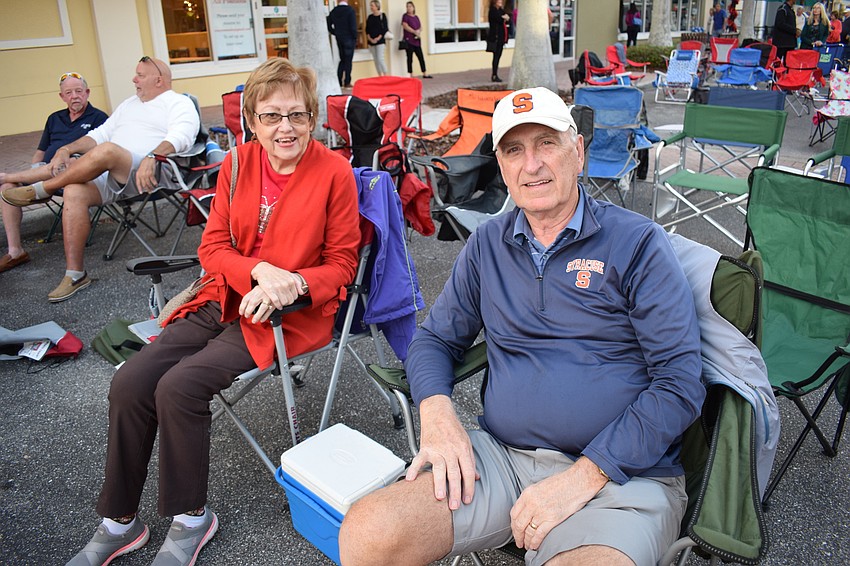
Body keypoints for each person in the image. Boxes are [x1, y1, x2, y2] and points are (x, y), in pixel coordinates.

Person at [338, 87, 705, 566]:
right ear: (502, 166)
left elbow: (679, 383)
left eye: (546, 144)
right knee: (368, 531)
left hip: (622, 476)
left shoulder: (637, 244)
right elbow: (435, 340)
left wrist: (585, 476)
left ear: (578, 151)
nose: (531, 165)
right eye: (514, 150)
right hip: (503, 460)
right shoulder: (488, 244)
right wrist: (437, 413)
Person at [65, 57, 360, 566]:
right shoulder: (238, 163)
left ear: (313, 118)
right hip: (222, 298)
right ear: (252, 121)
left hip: (283, 317)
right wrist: (258, 270)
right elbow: (214, 247)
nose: (284, 128)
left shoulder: (334, 172)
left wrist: (289, 283)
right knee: (130, 382)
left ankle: (191, 517)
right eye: (271, 116)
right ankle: (120, 521)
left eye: (296, 115)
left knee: (179, 387)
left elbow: (342, 263)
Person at [1, 57, 199, 303]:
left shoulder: (178, 102)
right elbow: (98, 134)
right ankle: (75, 275)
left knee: (108, 150)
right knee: (74, 190)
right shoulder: (129, 104)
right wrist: (65, 148)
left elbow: (183, 136)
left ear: (158, 80)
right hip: (114, 173)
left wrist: (152, 155)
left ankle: (45, 189)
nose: (133, 79)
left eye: (139, 75)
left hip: (152, 172)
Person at [0, 72, 107, 274]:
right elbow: (40, 152)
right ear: (62, 96)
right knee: (7, 189)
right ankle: (15, 251)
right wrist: (35, 169)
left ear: (87, 93)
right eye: (69, 92)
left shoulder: (99, 118)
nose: (74, 96)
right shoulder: (54, 118)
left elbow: (98, 156)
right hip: (45, 174)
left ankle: (9, 176)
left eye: (78, 91)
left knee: (60, 165)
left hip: (74, 174)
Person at [327, 0, 358, 88]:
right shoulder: (350, 10)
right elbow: (353, 26)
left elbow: (328, 24)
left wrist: (335, 32)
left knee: (342, 60)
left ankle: (339, 80)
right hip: (349, 38)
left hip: (339, 38)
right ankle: (347, 81)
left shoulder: (334, 11)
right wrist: (355, 37)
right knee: (348, 61)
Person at [402, 2, 432, 79]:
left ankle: (424, 73)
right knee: (410, 58)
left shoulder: (416, 17)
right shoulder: (405, 16)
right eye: (407, 6)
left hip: (417, 41)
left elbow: (421, 27)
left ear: (413, 8)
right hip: (409, 40)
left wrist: (418, 31)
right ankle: (410, 74)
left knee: (421, 57)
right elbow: (405, 26)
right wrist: (414, 31)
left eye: (410, 6)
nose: (409, 8)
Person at [488, 0, 510, 82]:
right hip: (495, 38)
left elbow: (507, 17)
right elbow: (499, 19)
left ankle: (495, 74)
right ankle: (494, 75)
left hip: (501, 38)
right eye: (499, 1)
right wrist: (503, 18)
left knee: (498, 56)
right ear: (495, 2)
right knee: (496, 57)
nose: (500, 2)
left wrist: (504, 18)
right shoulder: (493, 11)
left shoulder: (500, 10)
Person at [366, 0, 389, 76]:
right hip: (371, 42)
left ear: (377, 6)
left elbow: (385, 29)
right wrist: (370, 38)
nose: (371, 7)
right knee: (375, 60)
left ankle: (386, 74)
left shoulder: (382, 16)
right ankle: (380, 75)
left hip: (380, 41)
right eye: (370, 5)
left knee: (380, 58)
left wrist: (378, 38)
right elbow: (367, 30)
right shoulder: (370, 17)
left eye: (372, 5)